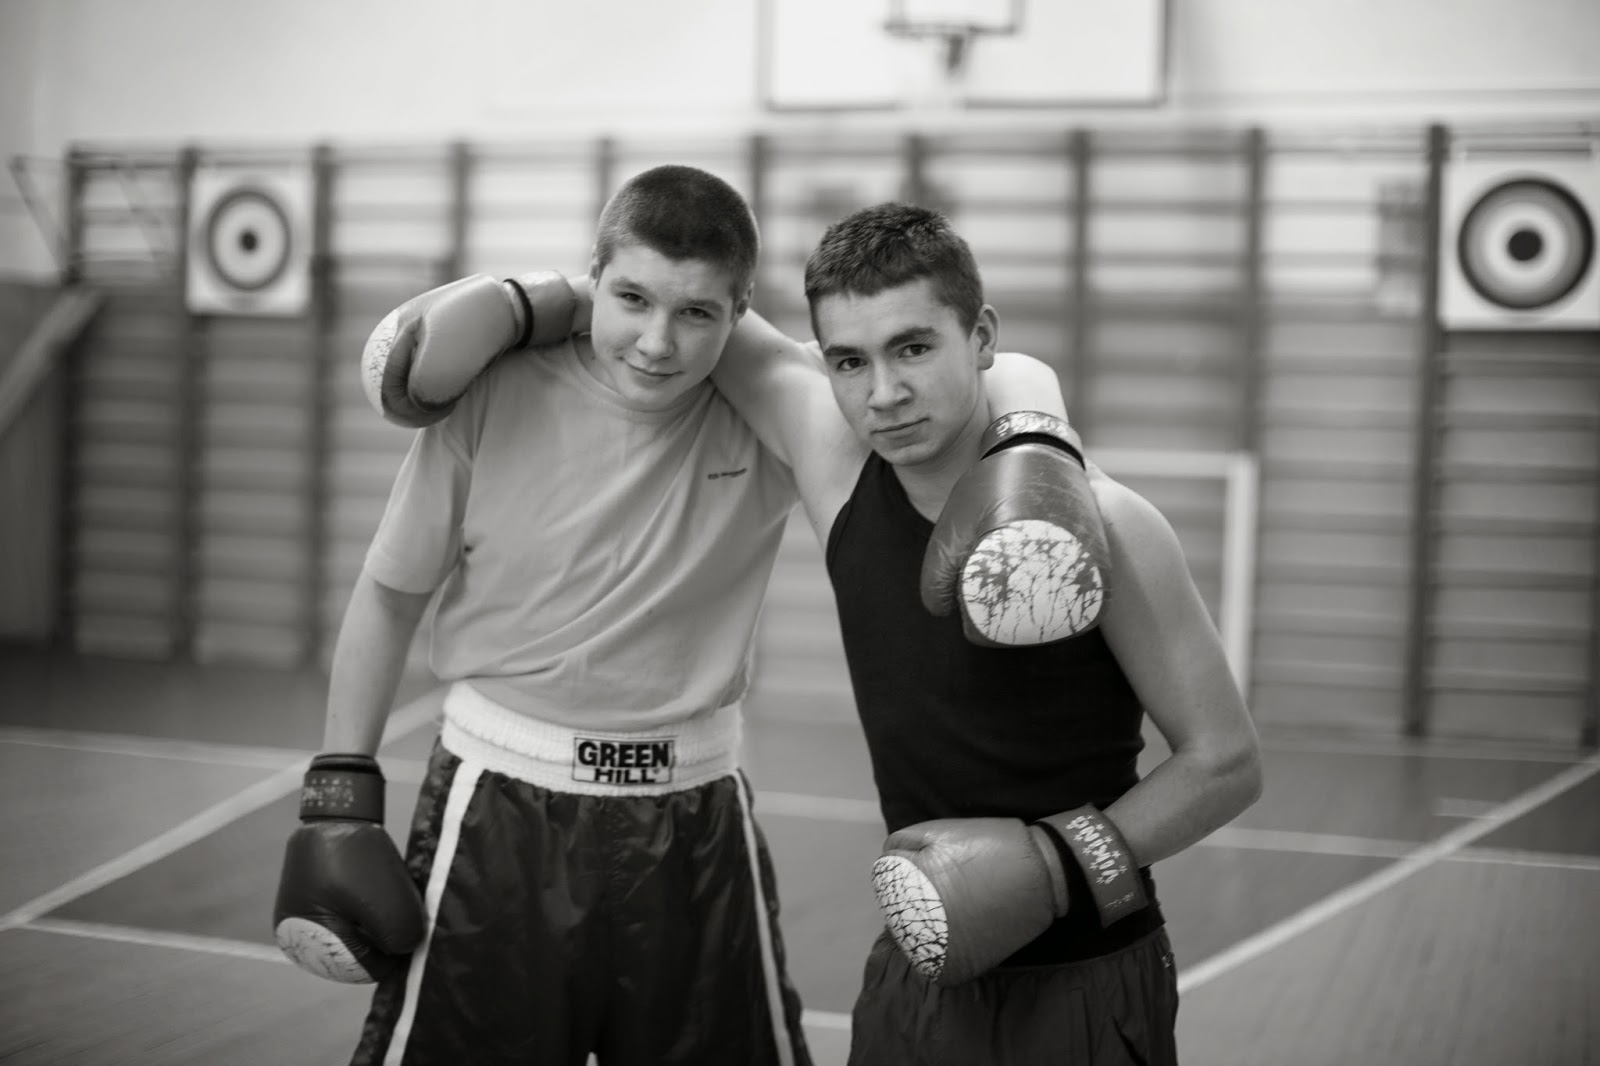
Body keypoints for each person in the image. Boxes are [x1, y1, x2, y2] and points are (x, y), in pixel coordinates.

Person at [369, 199, 1263, 1064]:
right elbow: (675, 306)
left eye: (914, 347)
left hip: (1089, 972)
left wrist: (1058, 866)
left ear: (982, 339)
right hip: (920, 953)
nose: (885, 393)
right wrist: (525, 302)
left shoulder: (1110, 524)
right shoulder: (839, 471)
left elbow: (1225, 762)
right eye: (849, 361)